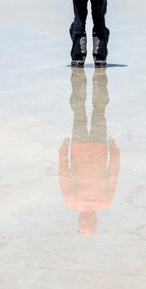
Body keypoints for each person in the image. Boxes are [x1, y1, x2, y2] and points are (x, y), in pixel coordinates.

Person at [59, 68, 120, 235]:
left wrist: (114, 151)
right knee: (79, 114)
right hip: (80, 146)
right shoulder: (71, 201)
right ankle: (83, 83)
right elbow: (64, 174)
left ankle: (93, 83)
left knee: (99, 111)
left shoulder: (105, 201)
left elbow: (113, 174)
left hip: (99, 145)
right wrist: (63, 152)